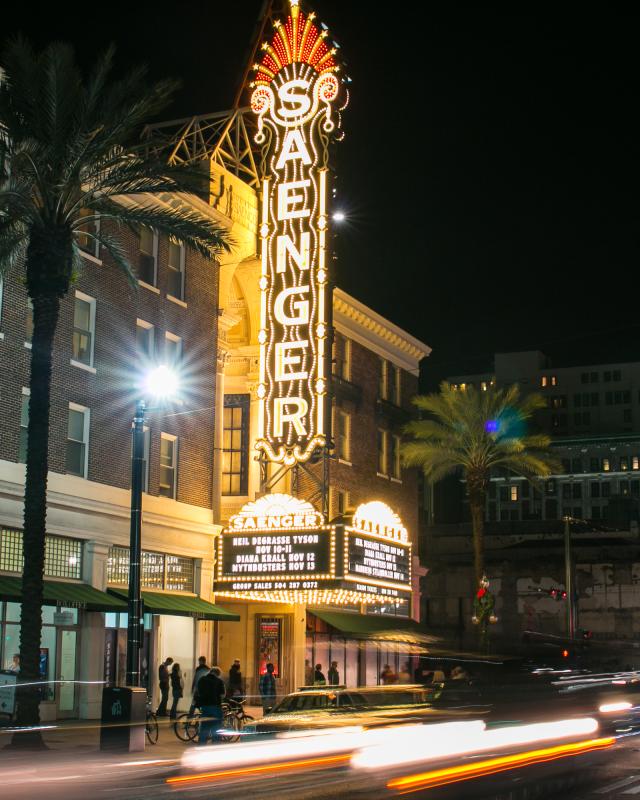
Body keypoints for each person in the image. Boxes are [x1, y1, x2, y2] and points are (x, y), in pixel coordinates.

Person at [197, 666, 226, 745]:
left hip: (205, 707)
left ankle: (201, 747)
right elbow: (223, 695)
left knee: (204, 729)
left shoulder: (202, 680)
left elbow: (198, 692)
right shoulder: (219, 681)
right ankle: (214, 748)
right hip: (215, 707)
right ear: (218, 674)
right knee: (216, 730)